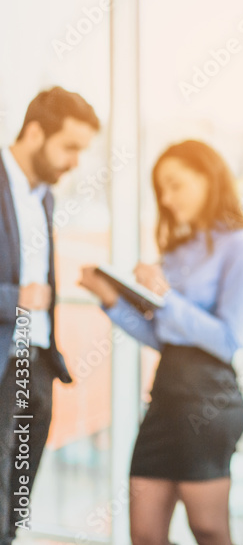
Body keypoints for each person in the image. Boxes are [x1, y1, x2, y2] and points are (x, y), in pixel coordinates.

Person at [79, 140, 243, 545]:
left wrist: (166, 295)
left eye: (175, 185)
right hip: (164, 399)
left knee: (208, 529)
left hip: (209, 400)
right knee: (145, 532)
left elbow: (231, 340)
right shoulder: (178, 250)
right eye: (160, 188)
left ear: (208, 178)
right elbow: (160, 336)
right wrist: (112, 299)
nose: (166, 197)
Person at [0, 87, 100, 544]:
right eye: (70, 147)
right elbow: (22, 290)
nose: (76, 162)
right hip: (4, 361)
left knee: (17, 499)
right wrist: (13, 297)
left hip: (36, 361)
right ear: (35, 132)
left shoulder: (45, 197)